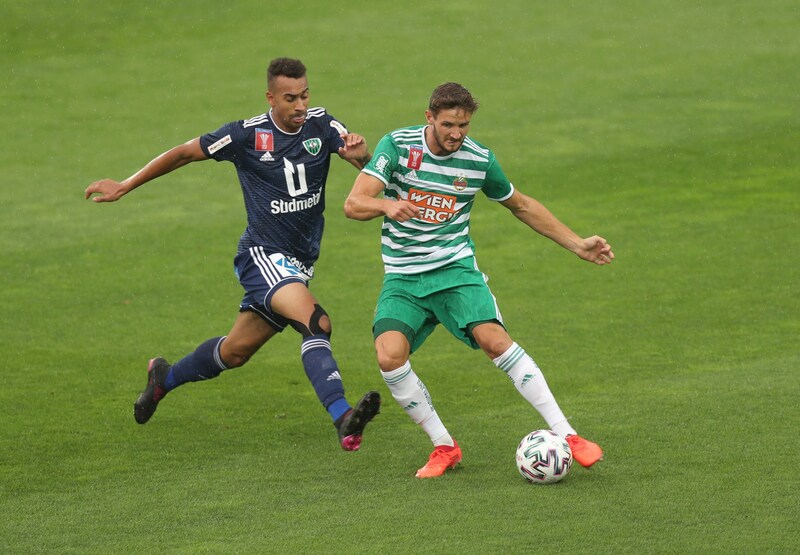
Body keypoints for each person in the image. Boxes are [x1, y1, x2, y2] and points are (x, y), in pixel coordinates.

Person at [85, 57, 380, 451]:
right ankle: (343, 417)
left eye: (305, 95)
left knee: (236, 352)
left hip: (298, 263)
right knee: (317, 323)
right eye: (290, 98)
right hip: (262, 255)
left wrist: (358, 153)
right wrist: (125, 184)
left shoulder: (322, 124)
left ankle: (164, 379)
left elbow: (361, 161)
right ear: (270, 97)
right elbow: (185, 153)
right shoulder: (245, 135)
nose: (300, 105)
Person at [344, 82, 614, 477]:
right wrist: (387, 204)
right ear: (429, 118)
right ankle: (444, 447)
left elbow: (520, 205)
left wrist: (577, 245)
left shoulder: (478, 160)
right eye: (449, 124)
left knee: (495, 341)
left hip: (455, 272)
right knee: (389, 356)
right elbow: (354, 203)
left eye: (464, 125)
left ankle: (568, 434)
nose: (456, 134)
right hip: (403, 277)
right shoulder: (399, 146)